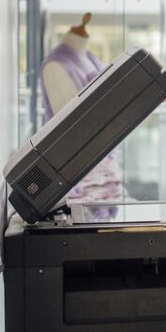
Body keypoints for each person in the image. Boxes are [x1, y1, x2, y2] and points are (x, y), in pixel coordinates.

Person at [40, 12, 123, 204]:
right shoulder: (56, 64)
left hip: (106, 167)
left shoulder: (91, 57)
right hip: (81, 174)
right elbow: (71, 127)